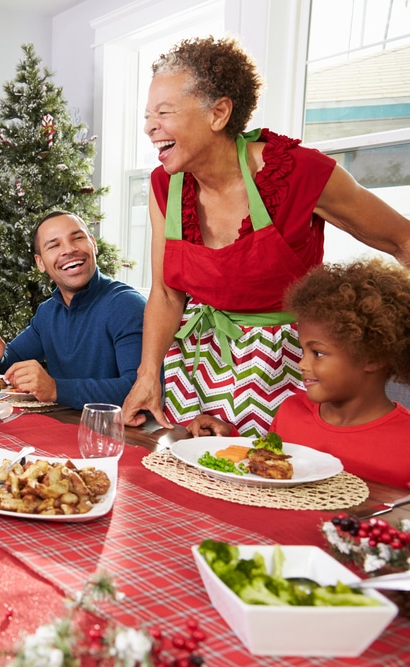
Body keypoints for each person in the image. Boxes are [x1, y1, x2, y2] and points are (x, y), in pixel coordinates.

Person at [121, 36, 410, 437]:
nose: (150, 126)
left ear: (219, 113)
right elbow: (168, 294)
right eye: (148, 114)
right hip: (198, 368)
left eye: (164, 112)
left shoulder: (299, 174)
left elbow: (402, 240)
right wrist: (148, 375)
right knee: (194, 486)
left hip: (285, 372)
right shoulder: (164, 186)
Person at [187, 258, 410, 488]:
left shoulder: (406, 442)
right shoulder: (291, 412)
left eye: (318, 353)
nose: (302, 364)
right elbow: (266, 467)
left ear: (373, 357)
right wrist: (227, 436)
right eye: (303, 350)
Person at [0, 211, 146, 409]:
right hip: (63, 426)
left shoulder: (127, 305)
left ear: (93, 244)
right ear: (40, 262)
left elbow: (139, 389)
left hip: (122, 434)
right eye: (54, 245)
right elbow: (11, 364)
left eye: (77, 238)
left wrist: (56, 389)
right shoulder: (48, 313)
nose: (69, 249)